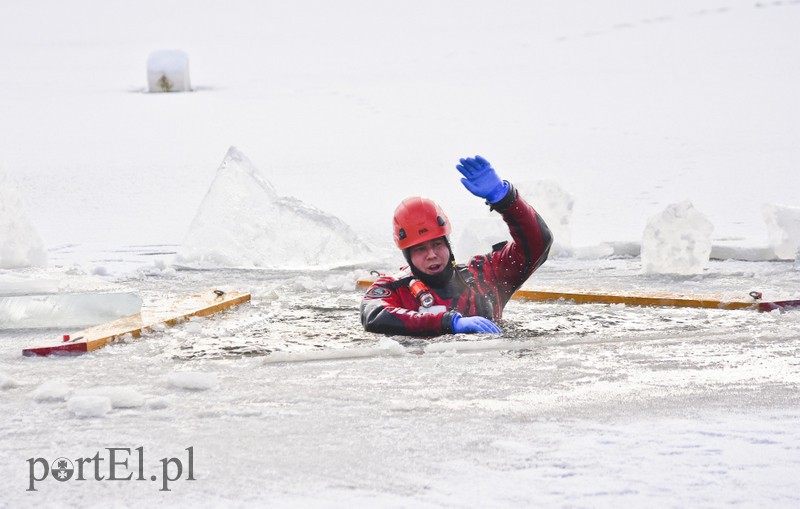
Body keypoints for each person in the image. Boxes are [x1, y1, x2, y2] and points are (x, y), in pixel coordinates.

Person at [361, 155, 553, 336]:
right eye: (420, 249)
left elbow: (538, 244)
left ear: (448, 243)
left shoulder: (485, 276)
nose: (431, 254)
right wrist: (448, 322)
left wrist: (505, 199)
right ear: (406, 254)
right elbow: (373, 316)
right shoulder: (394, 288)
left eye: (437, 244)